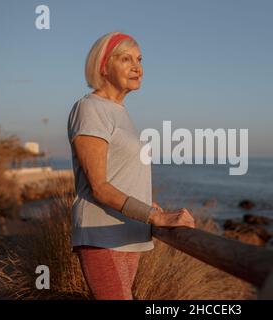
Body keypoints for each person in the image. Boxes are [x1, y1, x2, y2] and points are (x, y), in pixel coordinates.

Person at [67, 31, 195, 300]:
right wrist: (155, 216)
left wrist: (149, 204)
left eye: (139, 59)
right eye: (126, 59)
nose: (137, 67)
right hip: (101, 233)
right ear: (103, 65)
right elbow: (99, 187)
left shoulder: (120, 112)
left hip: (128, 232)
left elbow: (121, 172)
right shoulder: (90, 108)